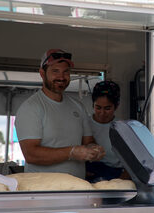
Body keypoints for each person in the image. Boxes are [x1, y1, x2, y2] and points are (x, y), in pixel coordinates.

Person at [15, 49, 105, 179]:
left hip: (77, 189)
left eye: (66, 72)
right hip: (42, 192)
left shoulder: (78, 107)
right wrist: (71, 152)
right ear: (42, 73)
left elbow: (88, 141)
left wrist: (94, 150)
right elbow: (31, 155)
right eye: (55, 71)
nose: (61, 77)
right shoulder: (31, 108)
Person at [86, 81, 129, 183]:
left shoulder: (123, 129)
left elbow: (131, 164)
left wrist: (118, 182)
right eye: (98, 107)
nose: (102, 113)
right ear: (93, 104)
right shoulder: (84, 123)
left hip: (115, 175)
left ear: (116, 106)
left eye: (107, 108)